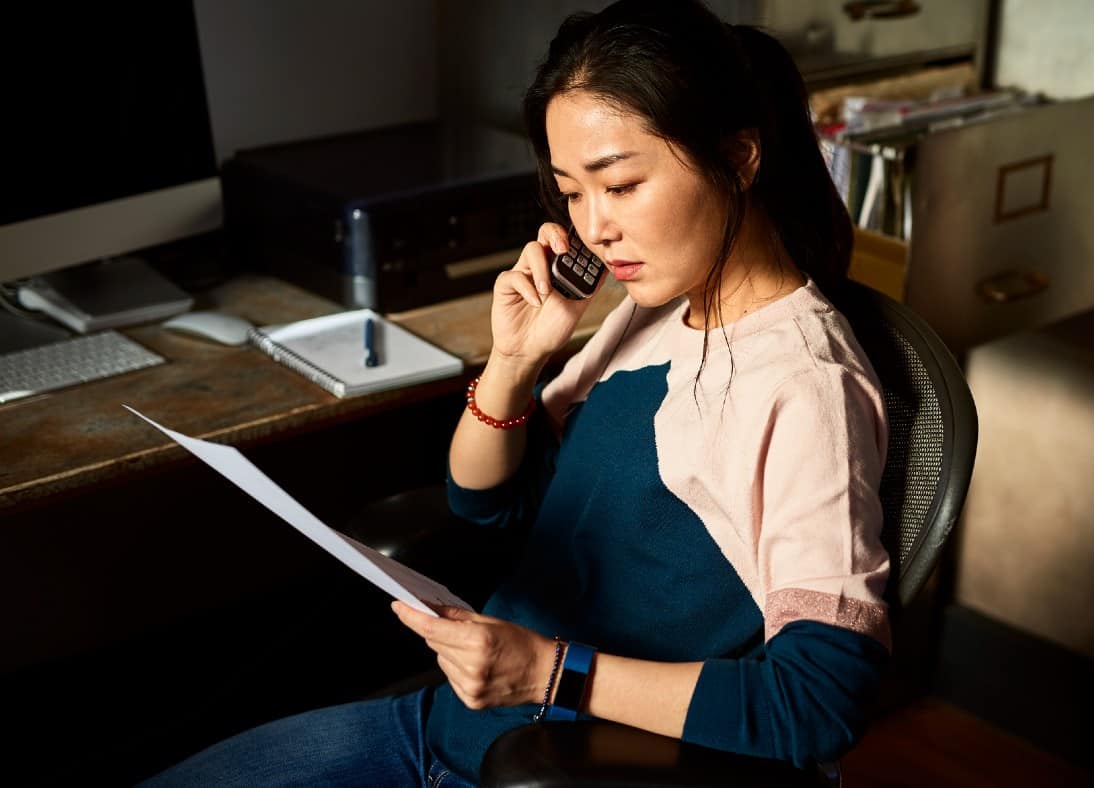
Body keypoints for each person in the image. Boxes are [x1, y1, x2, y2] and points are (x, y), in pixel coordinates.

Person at [141, 1, 890, 785]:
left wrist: (549, 672)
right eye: (571, 191)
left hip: (559, 762)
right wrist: (513, 362)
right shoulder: (660, 305)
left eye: (623, 184)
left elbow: (817, 703)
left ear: (738, 159)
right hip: (459, 724)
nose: (594, 227)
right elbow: (486, 504)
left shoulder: (806, 388)